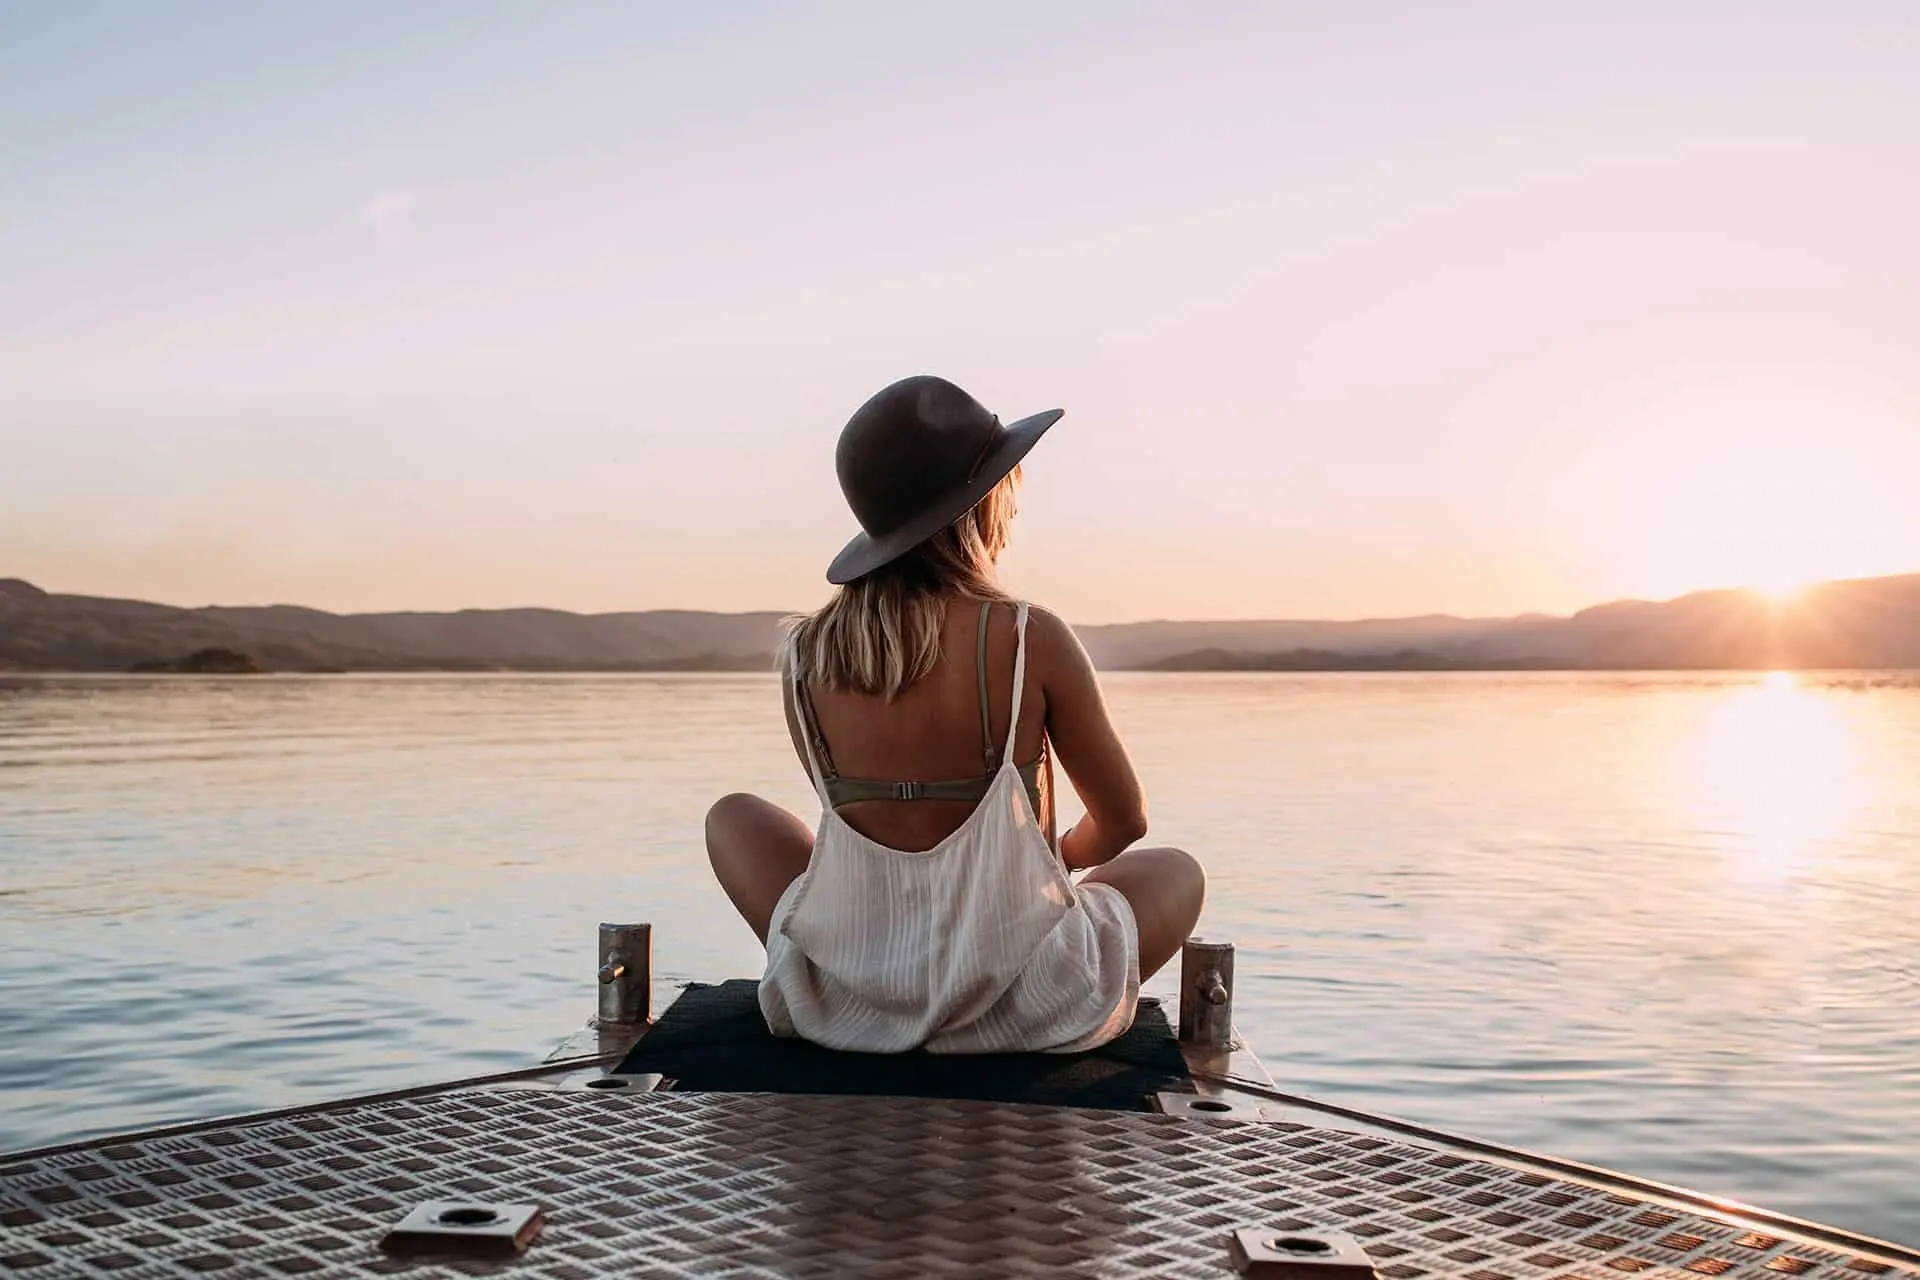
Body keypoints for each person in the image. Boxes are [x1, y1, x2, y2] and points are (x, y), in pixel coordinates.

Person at [706, 375, 1205, 1054]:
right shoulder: (1030, 637)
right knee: (1175, 869)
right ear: (978, 508)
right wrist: (1041, 859)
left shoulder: (807, 655)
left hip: (853, 1002)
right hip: (1029, 1005)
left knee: (732, 818)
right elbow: (1124, 823)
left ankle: (864, 985)